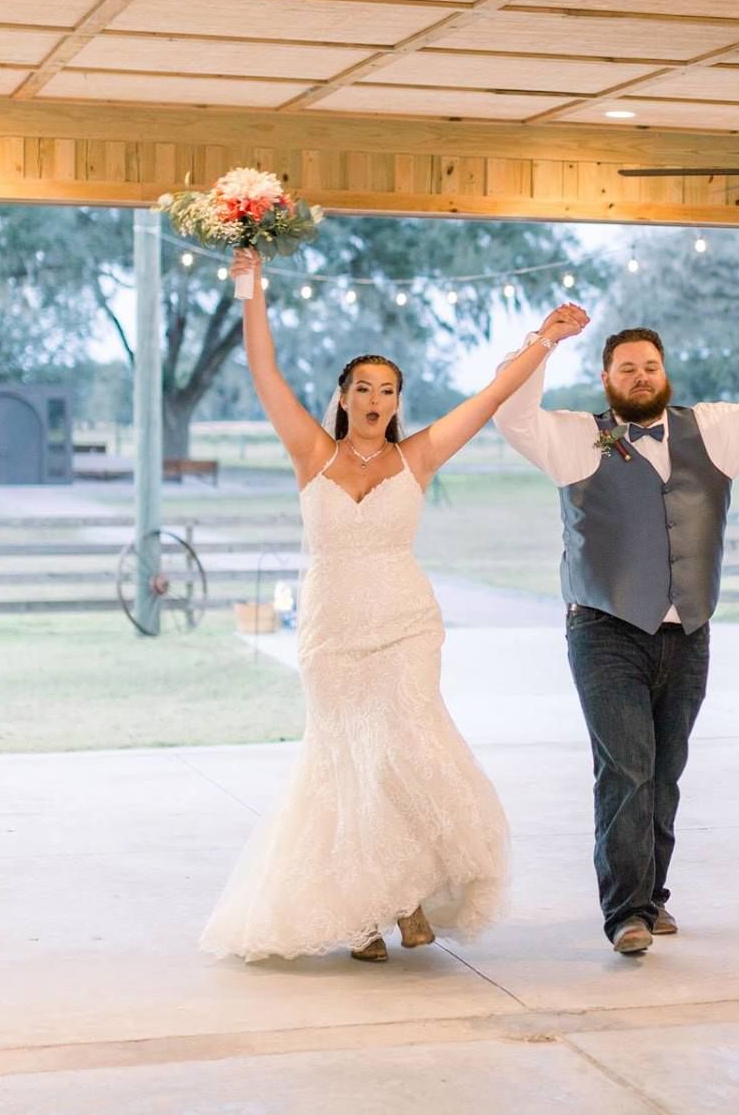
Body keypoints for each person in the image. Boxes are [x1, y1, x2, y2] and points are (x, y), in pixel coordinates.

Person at [200, 247, 591, 963]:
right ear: (343, 397)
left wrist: (544, 339)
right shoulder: (310, 452)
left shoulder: (420, 455)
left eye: (387, 391)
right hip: (333, 630)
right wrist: (249, 288)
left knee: (405, 750)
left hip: (405, 625)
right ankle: (365, 914)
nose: (376, 401)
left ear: (397, 402)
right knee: (350, 763)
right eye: (364, 389)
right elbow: (264, 373)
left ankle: (408, 897)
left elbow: (491, 397)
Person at [493, 297, 739, 955]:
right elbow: (511, 411)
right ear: (607, 380)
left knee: (665, 773)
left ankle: (652, 896)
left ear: (665, 374)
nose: (640, 376)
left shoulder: (713, 432)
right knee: (627, 771)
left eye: (650, 366)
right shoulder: (577, 438)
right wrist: (544, 341)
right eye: (626, 368)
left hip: (688, 633)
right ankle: (625, 914)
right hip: (605, 631)